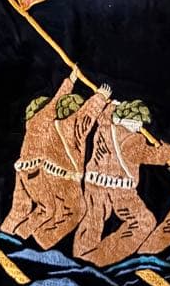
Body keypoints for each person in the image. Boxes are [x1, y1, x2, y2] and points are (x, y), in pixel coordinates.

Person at [73, 99, 170, 266]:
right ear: (136, 121)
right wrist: (168, 150)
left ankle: (80, 256)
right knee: (143, 222)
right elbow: (153, 156)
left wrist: (112, 105)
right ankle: (103, 258)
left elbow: (104, 116)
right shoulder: (132, 140)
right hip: (121, 190)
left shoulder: (105, 127)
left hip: (94, 184)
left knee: (92, 220)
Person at [0, 67, 79, 240]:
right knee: (47, 208)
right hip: (33, 171)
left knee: (20, 207)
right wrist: (70, 81)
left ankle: (5, 232)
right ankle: (20, 236)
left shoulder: (31, 124)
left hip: (23, 170)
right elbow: (56, 101)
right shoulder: (42, 120)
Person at [31, 82, 112, 248]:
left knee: (54, 210)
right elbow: (87, 115)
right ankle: (43, 240)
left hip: (46, 174)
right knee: (76, 211)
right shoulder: (74, 125)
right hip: (66, 179)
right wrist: (101, 97)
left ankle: (29, 235)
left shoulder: (51, 123)